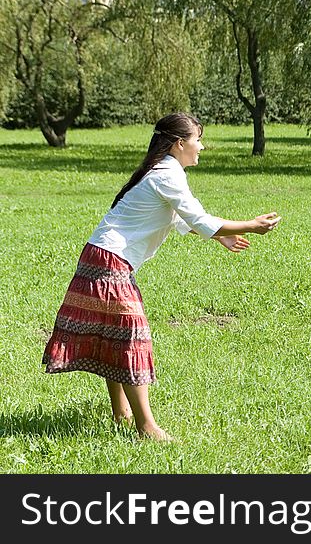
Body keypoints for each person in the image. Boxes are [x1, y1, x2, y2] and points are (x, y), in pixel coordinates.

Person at [42, 112, 281, 441]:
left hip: (102, 257)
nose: (201, 146)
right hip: (108, 261)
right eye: (198, 139)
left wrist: (219, 235)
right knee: (130, 336)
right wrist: (251, 225)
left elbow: (181, 219)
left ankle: (122, 413)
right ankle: (146, 427)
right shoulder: (167, 173)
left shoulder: (163, 171)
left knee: (114, 336)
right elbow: (197, 217)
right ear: (180, 143)